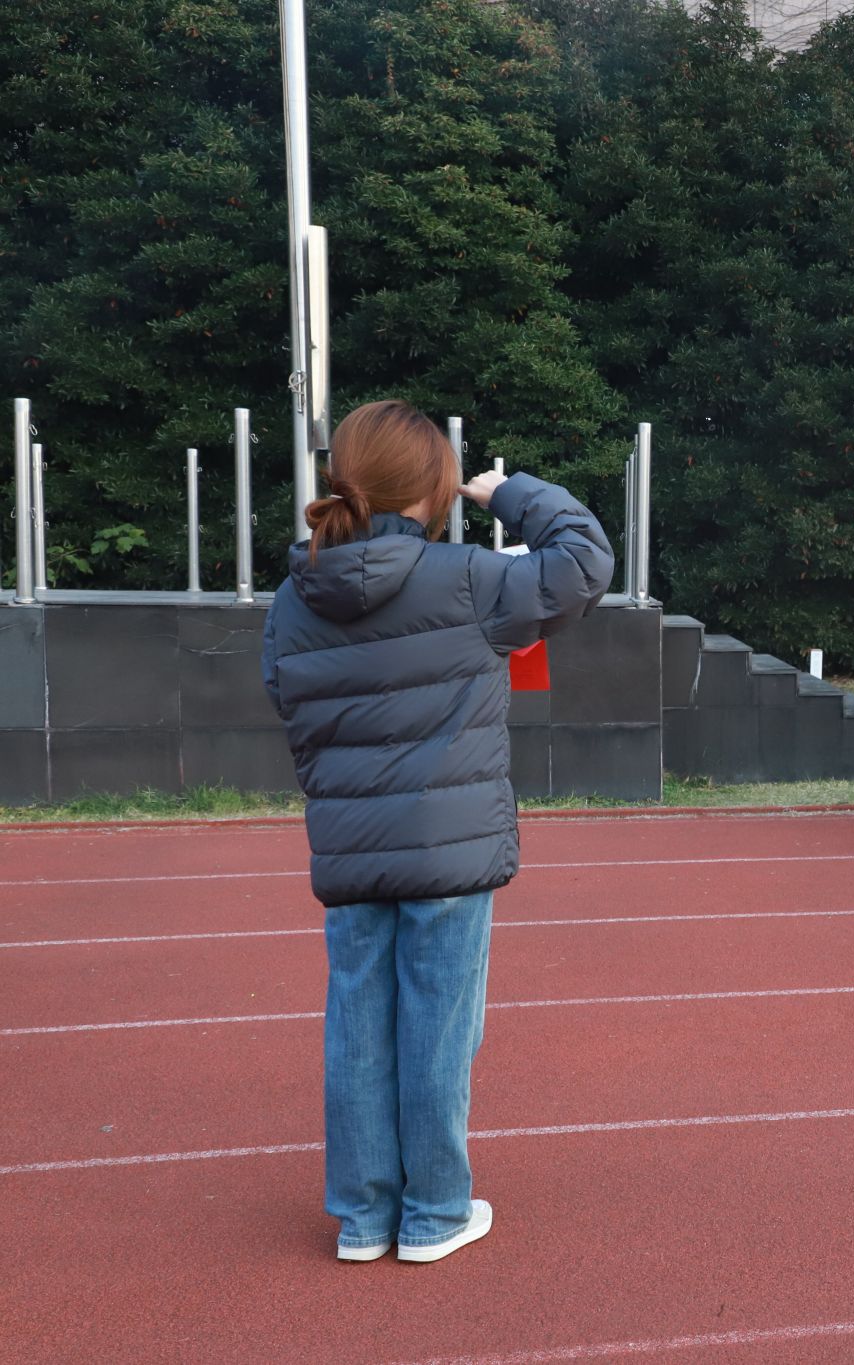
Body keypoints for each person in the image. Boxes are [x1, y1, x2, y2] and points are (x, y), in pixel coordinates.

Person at [261, 400, 613, 1263]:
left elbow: (284, 693)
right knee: (438, 1029)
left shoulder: (296, 594)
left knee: (356, 1027)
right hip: (448, 847)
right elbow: (585, 561)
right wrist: (512, 493)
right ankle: (433, 1212)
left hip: (351, 842)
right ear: (436, 488)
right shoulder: (467, 580)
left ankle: (363, 1217)